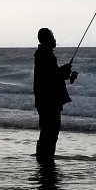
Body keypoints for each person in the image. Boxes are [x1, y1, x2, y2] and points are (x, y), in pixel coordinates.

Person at [32, 26, 76, 161]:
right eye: (52, 36)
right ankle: (46, 160)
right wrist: (65, 72)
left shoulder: (43, 55)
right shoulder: (45, 56)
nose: (54, 39)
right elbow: (52, 77)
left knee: (46, 132)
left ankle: (43, 159)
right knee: (51, 132)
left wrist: (65, 72)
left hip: (45, 99)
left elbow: (52, 75)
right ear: (47, 39)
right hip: (49, 100)